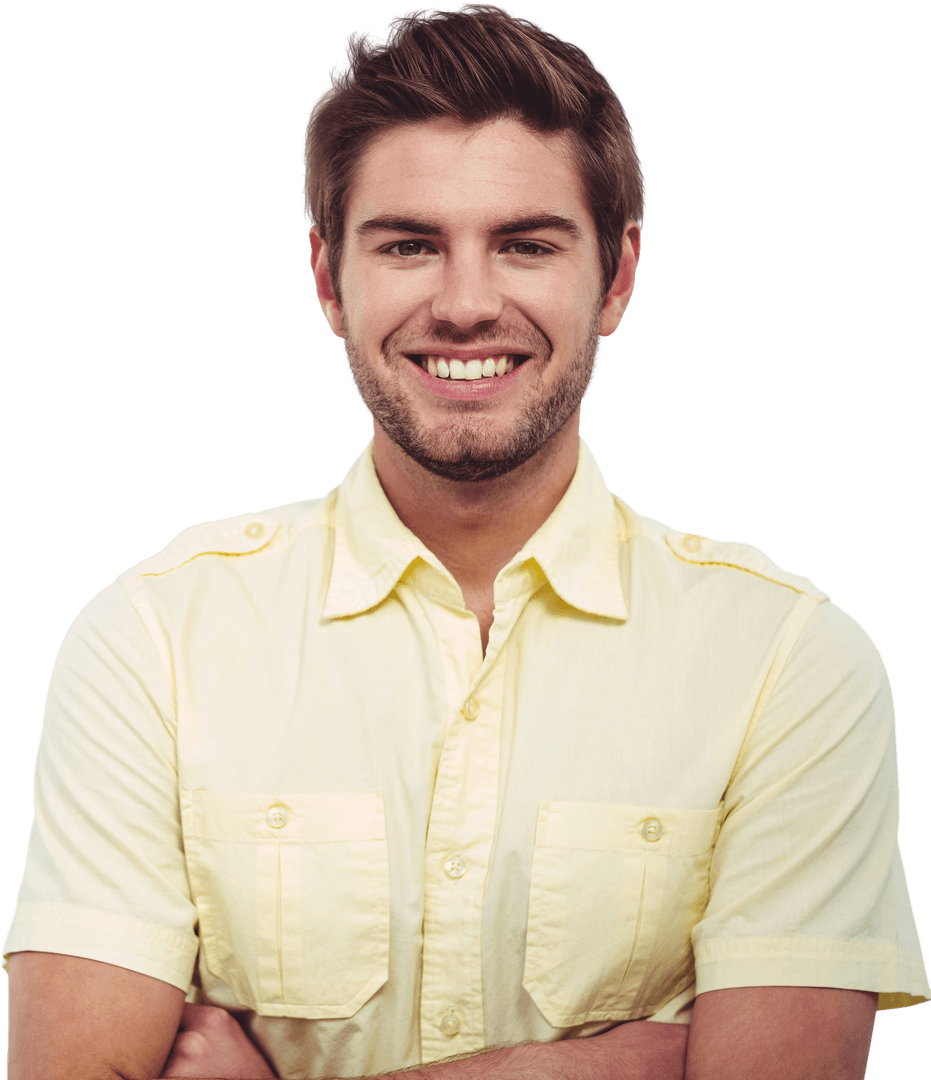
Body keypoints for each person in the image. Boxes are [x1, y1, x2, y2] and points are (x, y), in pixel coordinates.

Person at [5, 4, 929, 1078]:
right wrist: (626, 1064)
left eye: (526, 244)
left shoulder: (789, 664)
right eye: (408, 245)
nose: (465, 302)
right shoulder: (150, 642)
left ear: (617, 277)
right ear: (326, 279)